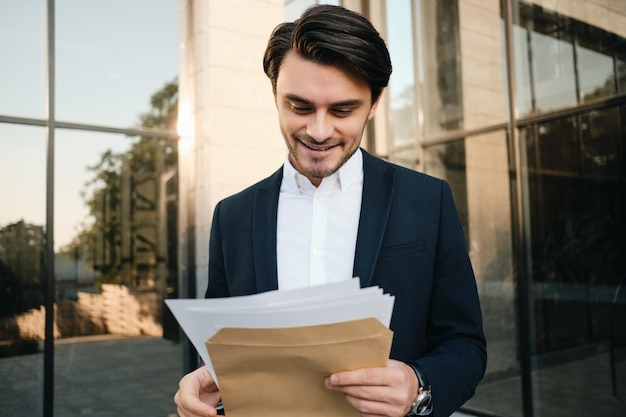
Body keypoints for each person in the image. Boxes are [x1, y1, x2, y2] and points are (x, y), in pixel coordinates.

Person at [174, 4, 486, 417]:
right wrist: (205, 384)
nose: (318, 132)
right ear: (275, 97)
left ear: (373, 104)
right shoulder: (232, 216)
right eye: (300, 107)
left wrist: (419, 386)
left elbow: (466, 344)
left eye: (342, 110)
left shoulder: (429, 201)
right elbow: (222, 354)